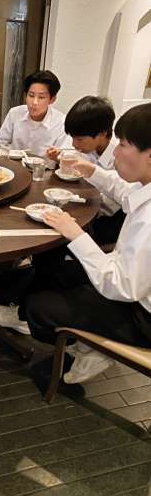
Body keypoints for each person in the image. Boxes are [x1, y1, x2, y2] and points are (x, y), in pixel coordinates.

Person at [24, 102, 151, 384]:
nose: (115, 152)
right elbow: (124, 190)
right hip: (130, 284)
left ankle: (96, 347)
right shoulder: (145, 186)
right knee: (54, 271)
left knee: (38, 307)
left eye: (123, 145)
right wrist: (89, 169)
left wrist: (76, 234)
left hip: (141, 315)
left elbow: (120, 286)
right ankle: (88, 339)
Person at [47, 95, 124, 244]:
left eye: (79, 139)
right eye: (72, 138)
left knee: (53, 239)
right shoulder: (89, 148)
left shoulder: (119, 159)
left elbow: (105, 207)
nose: (74, 144)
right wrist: (58, 159)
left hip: (105, 222)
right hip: (84, 207)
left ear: (102, 134)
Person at [0, 70, 71, 154]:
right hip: (12, 162)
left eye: (41, 97)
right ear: (25, 96)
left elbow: (64, 155)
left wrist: (56, 156)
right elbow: (1, 143)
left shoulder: (61, 122)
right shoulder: (15, 113)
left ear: (52, 99)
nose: (34, 102)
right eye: (31, 95)